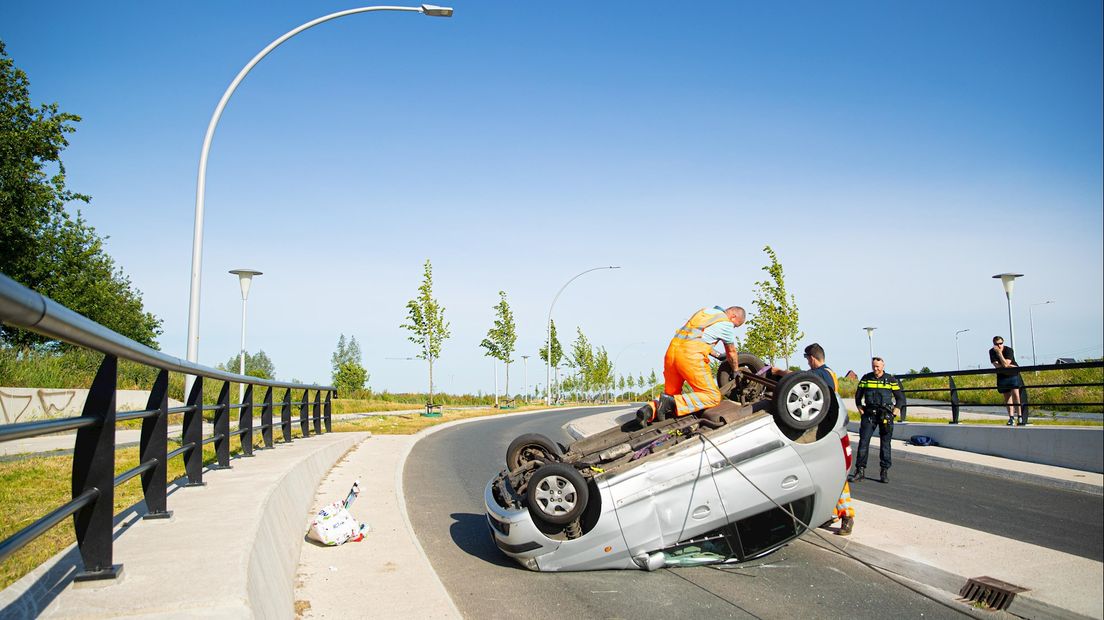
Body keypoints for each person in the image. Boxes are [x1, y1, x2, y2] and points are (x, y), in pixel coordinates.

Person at [772, 343, 853, 535]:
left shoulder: (823, 374)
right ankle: (830, 513)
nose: (807, 364)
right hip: (823, 428)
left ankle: (847, 516)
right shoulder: (828, 374)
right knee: (822, 472)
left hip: (824, 431)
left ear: (812, 358)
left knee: (834, 472)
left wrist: (779, 372)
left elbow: (799, 378)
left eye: (808, 360)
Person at [636, 306, 745, 425]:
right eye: (736, 325)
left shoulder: (705, 312)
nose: (733, 327)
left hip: (672, 353)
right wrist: (735, 370)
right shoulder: (726, 324)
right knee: (712, 396)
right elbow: (732, 352)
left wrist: (718, 355)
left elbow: (696, 337)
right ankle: (673, 403)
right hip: (690, 357)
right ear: (733, 316)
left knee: (670, 394)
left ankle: (648, 410)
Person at [852, 357, 905, 484]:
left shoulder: (890, 380)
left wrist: (894, 414)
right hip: (869, 415)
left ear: (883, 366)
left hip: (885, 415)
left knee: (885, 444)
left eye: (878, 366)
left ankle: (884, 471)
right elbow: (858, 396)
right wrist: (860, 409)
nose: (876, 369)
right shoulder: (866, 378)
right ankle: (860, 471)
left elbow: (900, 399)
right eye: (874, 366)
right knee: (863, 442)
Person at [989, 336, 1024, 426]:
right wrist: (1009, 365)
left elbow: (1005, 364)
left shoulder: (1009, 350)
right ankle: (1011, 417)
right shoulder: (991, 352)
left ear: (1003, 343)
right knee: (1007, 396)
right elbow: (998, 365)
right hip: (1002, 375)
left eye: (1000, 343)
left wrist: (1000, 354)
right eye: (996, 344)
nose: (999, 346)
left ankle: (1020, 416)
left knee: (1016, 394)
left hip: (1013, 374)